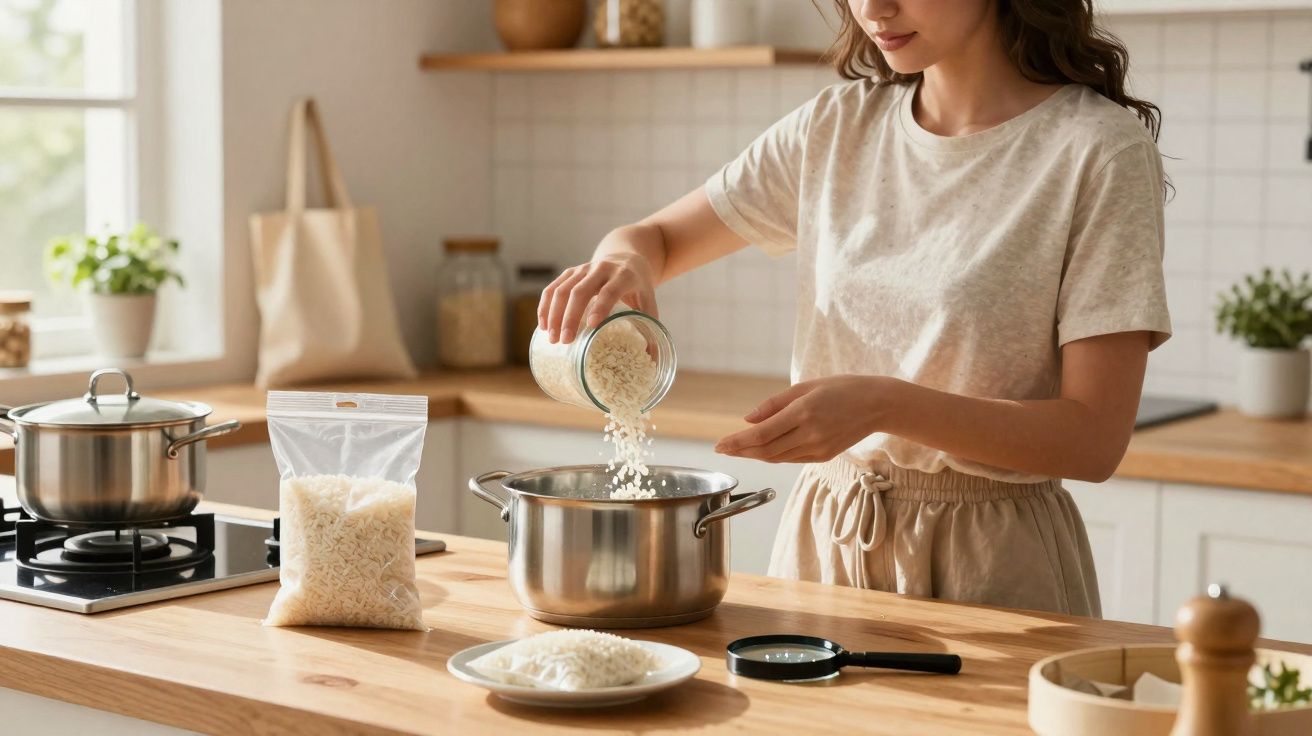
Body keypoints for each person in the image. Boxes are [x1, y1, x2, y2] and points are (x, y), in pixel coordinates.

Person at [536, 0, 1171, 617]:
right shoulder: (835, 129)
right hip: (824, 543)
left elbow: (1093, 441)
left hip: (994, 562)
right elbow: (658, 239)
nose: (872, 8)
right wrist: (623, 262)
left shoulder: (1097, 151)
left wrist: (884, 405)